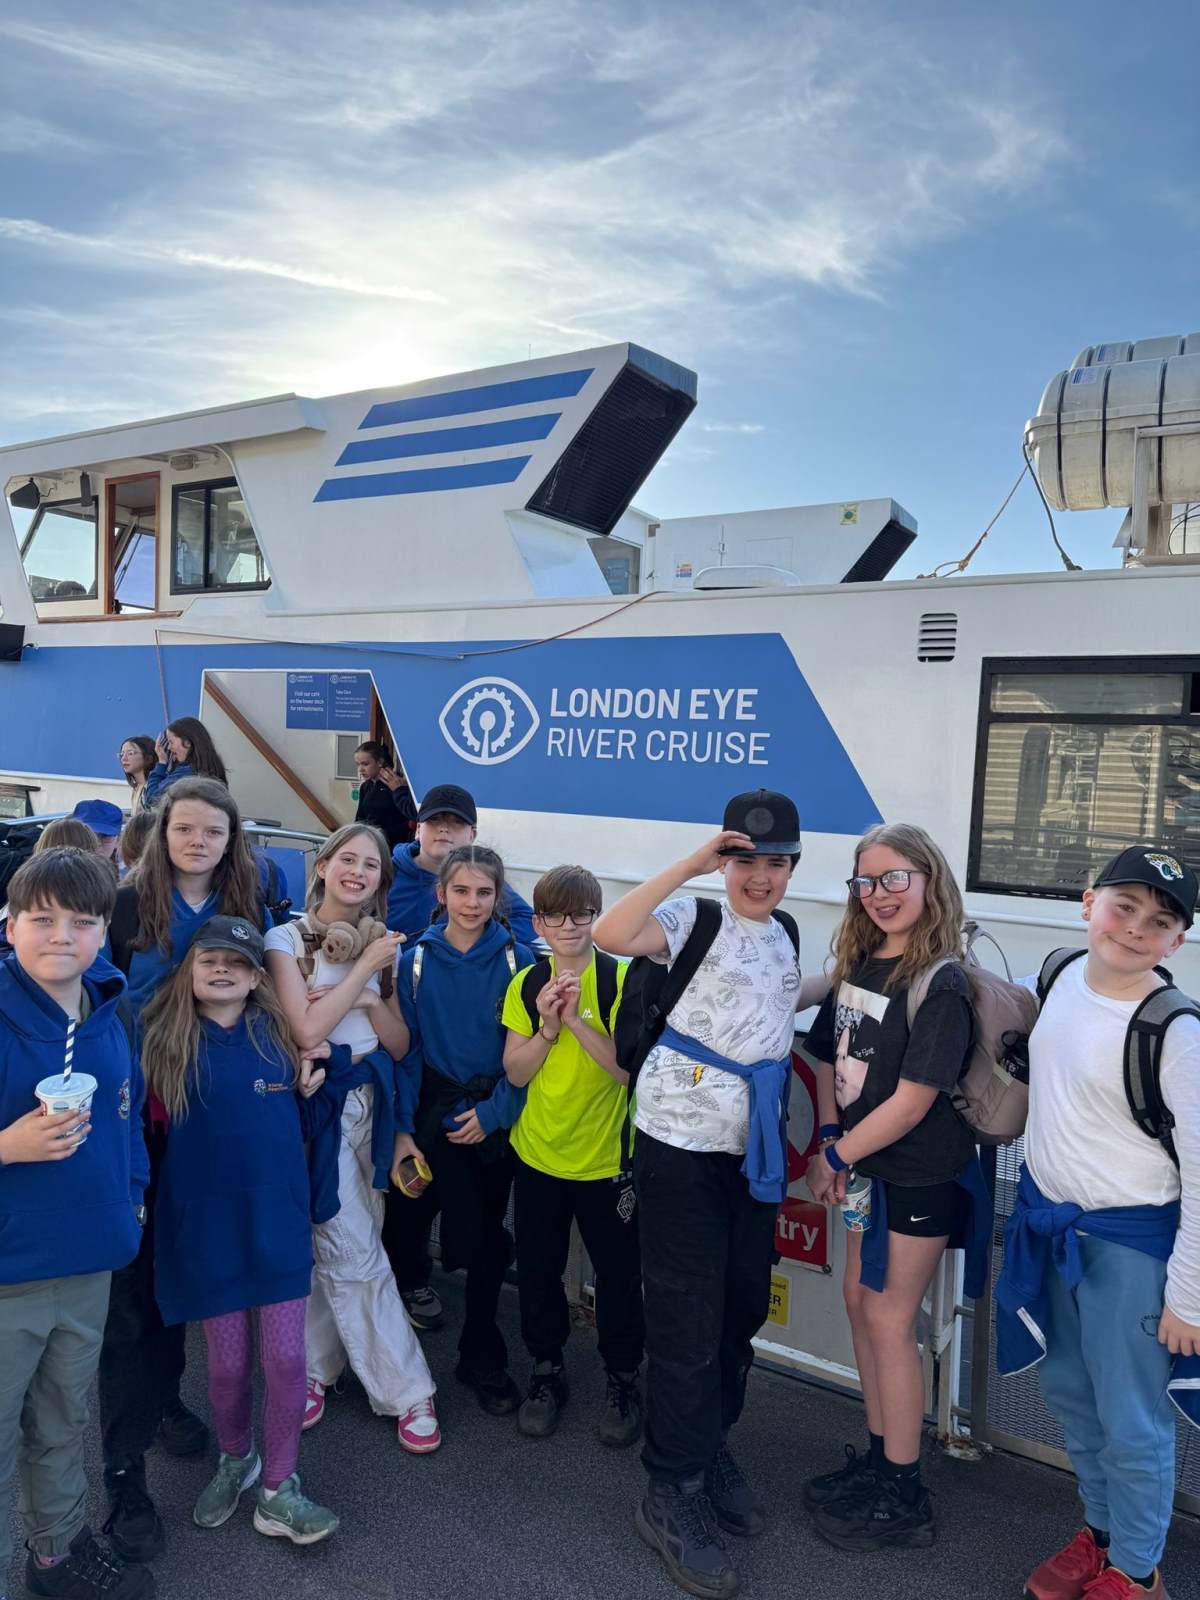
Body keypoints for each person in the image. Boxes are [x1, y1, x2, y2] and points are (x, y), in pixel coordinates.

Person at [594, 790, 820, 1600]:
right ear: (724, 862)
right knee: (687, 1320)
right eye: (745, 861)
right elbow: (610, 934)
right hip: (679, 1150)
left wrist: (848, 980)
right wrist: (692, 864)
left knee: (741, 1306)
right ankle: (672, 1488)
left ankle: (709, 1440)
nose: (761, 877)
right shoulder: (693, 917)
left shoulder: (785, 931)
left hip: (748, 1155)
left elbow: (776, 1000)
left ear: (793, 866)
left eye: (776, 862)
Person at [997, 846, 1200, 1600]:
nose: (1137, 928)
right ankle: (1104, 1535)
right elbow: (983, 1002)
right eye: (1125, 906)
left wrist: (1189, 1300)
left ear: (1177, 941)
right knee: (1073, 1398)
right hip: (1054, 1231)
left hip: (1132, 1251)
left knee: (1133, 1420)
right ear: (1089, 903)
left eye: (1161, 920)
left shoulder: (1175, 1033)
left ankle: (1138, 1574)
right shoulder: (1056, 977)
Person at [802, 822, 989, 1554]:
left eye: (893, 879)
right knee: (859, 1304)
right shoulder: (860, 961)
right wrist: (831, 1138)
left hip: (917, 1176)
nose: (878, 894)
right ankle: (881, 1461)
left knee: (889, 1321)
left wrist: (834, 1156)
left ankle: (904, 1494)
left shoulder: (942, 981)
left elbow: (913, 1103)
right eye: (866, 882)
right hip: (863, 1170)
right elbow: (827, 1056)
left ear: (927, 879)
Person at [99, 778, 269, 1561]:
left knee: (176, 1278)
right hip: (134, 1123)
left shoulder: (248, 909)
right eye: (185, 828)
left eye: (214, 831)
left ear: (232, 841)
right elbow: (91, 1005)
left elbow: (264, 1006)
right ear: (162, 833)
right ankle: (122, 1471)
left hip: (206, 1124)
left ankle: (165, 1398)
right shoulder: (124, 908)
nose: (198, 841)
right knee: (130, 1297)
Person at [140, 916, 339, 1545]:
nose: (222, 969)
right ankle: (237, 1458)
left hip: (277, 1224)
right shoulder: (161, 1043)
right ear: (190, 971)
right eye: (210, 960)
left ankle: (279, 1488)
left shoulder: (283, 1038)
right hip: (207, 1230)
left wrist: (319, 1077)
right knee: (226, 1367)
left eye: (237, 962)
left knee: (286, 1359)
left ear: (257, 978)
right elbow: (142, 1138)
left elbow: (313, 1119)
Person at [0, 847, 153, 1599]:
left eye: (82, 921)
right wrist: (8, 1146)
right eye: (42, 918)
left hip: (89, 1263)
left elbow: (129, 1119)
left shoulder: (109, 1009)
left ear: (102, 932)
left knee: (63, 1421)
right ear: (10, 925)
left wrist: (132, 1202)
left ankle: (55, 1554)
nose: (62, 936)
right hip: (8, 1276)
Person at [264, 824, 439, 1454]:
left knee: (339, 1242)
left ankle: (315, 1367)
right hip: (319, 1106)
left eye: (371, 865)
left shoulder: (383, 945)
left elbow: (399, 1042)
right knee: (353, 1248)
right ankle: (408, 1390)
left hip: (372, 1104)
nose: (358, 872)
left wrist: (366, 998)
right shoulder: (284, 941)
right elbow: (307, 1029)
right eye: (348, 859)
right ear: (323, 866)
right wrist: (363, 971)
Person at [382, 783, 534, 1334]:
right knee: (411, 1211)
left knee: (482, 1233)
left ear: (499, 897)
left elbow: (529, 1050)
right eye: (462, 891)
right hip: (431, 1105)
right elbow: (407, 1052)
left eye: (484, 893)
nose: (473, 903)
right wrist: (402, 1128)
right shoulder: (414, 962)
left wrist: (496, 1111)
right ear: (441, 894)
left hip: (491, 1111)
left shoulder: (520, 961)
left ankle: (481, 1340)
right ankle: (411, 1284)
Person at [501, 864, 644, 1446]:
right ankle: (546, 1371)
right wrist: (547, 1029)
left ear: (595, 916)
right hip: (538, 1154)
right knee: (538, 1272)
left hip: (609, 1162)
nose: (568, 925)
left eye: (580, 913)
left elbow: (627, 1071)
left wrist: (577, 1019)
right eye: (555, 915)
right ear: (537, 922)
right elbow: (515, 1072)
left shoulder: (624, 977)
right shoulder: (526, 982)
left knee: (619, 1279)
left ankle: (623, 1378)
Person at [384, 782, 535, 945]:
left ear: (472, 835)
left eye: (457, 821)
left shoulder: (480, 877)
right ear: (418, 829)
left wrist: (473, 940)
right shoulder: (385, 874)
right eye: (434, 819)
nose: (443, 828)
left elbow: (528, 921)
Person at [143, 717, 227, 807]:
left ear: (187, 742)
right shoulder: (211, 767)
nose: (169, 748)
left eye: (171, 742)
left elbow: (153, 799)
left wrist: (162, 763)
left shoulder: (186, 773)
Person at [354, 742, 418, 851]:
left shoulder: (397, 784)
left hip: (394, 845)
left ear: (380, 762)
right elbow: (360, 817)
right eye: (358, 764)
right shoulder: (365, 786)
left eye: (365, 764)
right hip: (370, 843)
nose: (360, 769)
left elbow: (409, 817)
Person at [71, 801, 124, 867]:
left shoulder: (128, 871)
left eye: (105, 836)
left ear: (118, 840)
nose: (96, 844)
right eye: (88, 835)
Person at [118, 738, 158, 813]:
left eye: (130, 753)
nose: (123, 758)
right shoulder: (137, 787)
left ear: (148, 757)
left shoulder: (152, 788)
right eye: (121, 754)